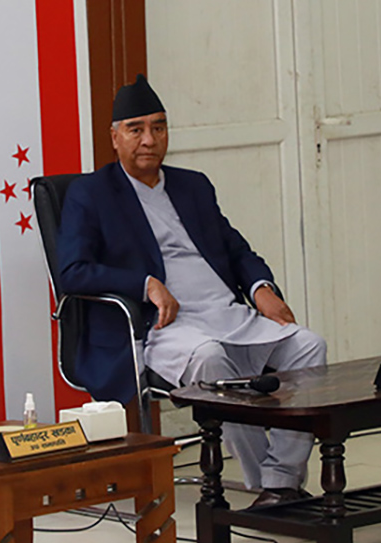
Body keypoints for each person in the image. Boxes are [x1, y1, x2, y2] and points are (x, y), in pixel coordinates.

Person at [59, 75, 327, 507]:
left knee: (309, 346)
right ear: (114, 137)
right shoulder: (90, 194)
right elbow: (72, 272)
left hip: (227, 314)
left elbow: (235, 249)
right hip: (162, 327)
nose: (149, 140)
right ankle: (272, 486)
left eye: (159, 127)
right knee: (210, 360)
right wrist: (144, 284)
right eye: (136, 129)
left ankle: (281, 479)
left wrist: (261, 288)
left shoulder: (192, 185)